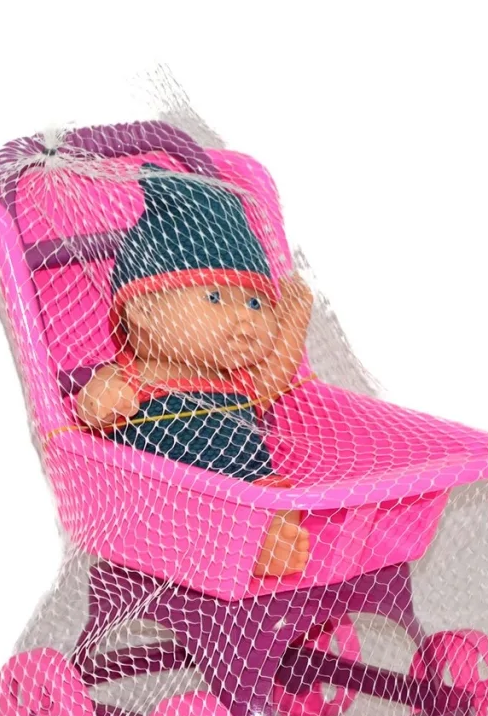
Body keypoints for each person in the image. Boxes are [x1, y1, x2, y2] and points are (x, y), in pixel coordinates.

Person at [76, 165, 314, 577]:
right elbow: (92, 407)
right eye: (216, 297)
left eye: (256, 303)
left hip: (248, 495)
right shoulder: (133, 375)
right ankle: (255, 550)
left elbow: (276, 374)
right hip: (170, 509)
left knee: (275, 501)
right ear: (144, 309)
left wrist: (293, 319)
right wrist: (102, 402)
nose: (244, 318)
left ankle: (267, 545)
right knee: (217, 516)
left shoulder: (236, 380)